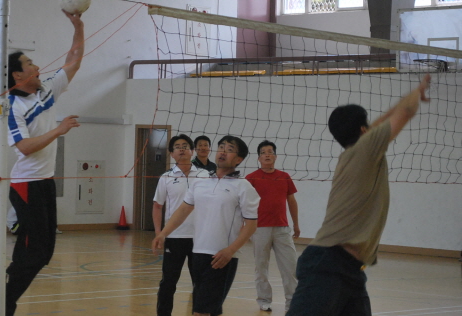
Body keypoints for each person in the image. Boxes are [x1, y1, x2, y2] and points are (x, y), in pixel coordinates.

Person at [287, 74, 431, 316]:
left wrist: (407, 97)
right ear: (364, 130)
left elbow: (382, 121)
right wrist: (418, 90)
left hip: (349, 269)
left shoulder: (357, 151)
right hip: (328, 266)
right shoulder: (366, 148)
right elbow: (406, 111)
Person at [0, 10, 85, 316]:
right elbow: (25, 147)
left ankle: (2, 299)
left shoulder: (46, 90)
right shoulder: (11, 106)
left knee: (42, 252)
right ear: (17, 75)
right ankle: (0, 301)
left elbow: (74, 59)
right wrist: (59, 130)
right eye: (30, 63)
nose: (38, 67)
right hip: (26, 184)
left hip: (44, 182)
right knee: (37, 251)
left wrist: (78, 24)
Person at [152, 135, 260, 316]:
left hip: (221, 256)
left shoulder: (244, 186)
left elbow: (251, 226)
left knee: (201, 312)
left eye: (230, 150)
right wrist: (163, 233)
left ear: (239, 159)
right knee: (209, 310)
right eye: (221, 147)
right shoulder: (200, 182)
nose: (223, 152)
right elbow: (183, 211)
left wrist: (230, 251)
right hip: (198, 253)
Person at [246, 140, 299, 312]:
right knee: (261, 267)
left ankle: (292, 303)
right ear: (259, 158)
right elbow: (243, 203)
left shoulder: (284, 177)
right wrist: (245, 227)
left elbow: (292, 201)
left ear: (275, 156)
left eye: (270, 152)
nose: (267, 155)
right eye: (263, 152)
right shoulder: (251, 178)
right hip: (260, 229)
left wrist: (296, 224)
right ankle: (264, 299)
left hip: (282, 229)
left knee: (290, 267)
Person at [153, 134, 200, 316]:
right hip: (174, 237)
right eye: (177, 147)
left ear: (192, 151)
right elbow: (157, 206)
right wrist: (159, 233)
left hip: (200, 238)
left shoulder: (204, 175)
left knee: (200, 282)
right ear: (171, 153)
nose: (181, 149)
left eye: (185, 146)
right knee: (169, 282)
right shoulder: (166, 177)